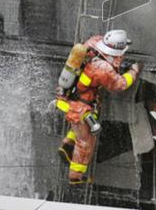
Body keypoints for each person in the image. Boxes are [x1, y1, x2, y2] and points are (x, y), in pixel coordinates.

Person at [55, 29, 142, 185]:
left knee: (78, 128)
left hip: (70, 98)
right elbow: (119, 84)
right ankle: (76, 176)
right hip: (80, 106)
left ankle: (67, 147)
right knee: (86, 143)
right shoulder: (103, 68)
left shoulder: (93, 42)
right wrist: (133, 72)